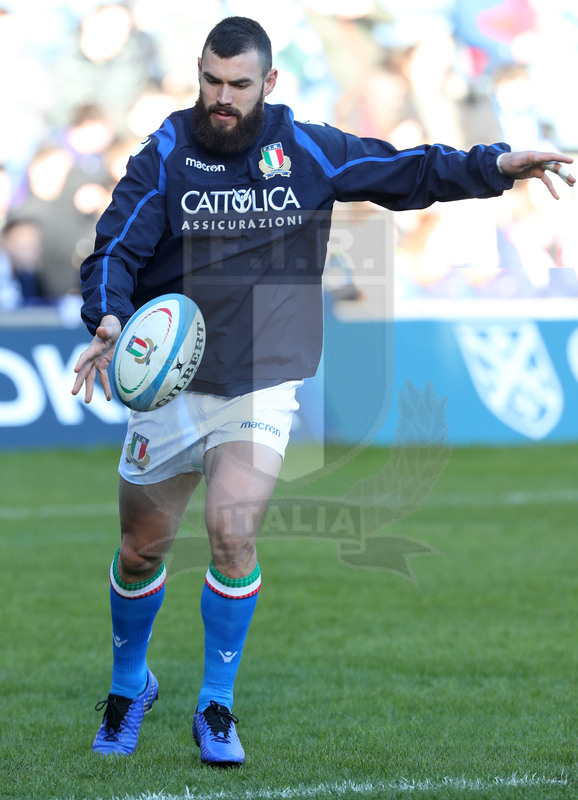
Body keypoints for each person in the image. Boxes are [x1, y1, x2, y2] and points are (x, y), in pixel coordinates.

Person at [71, 16, 574, 767]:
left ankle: (215, 704)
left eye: (238, 85)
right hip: (171, 380)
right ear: (197, 74)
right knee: (141, 548)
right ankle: (128, 686)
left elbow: (408, 169)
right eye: (211, 80)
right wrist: (108, 319)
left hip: (264, 376)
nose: (222, 97)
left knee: (232, 531)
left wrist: (497, 164)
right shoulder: (169, 151)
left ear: (269, 84)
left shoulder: (304, 148)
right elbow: (118, 242)